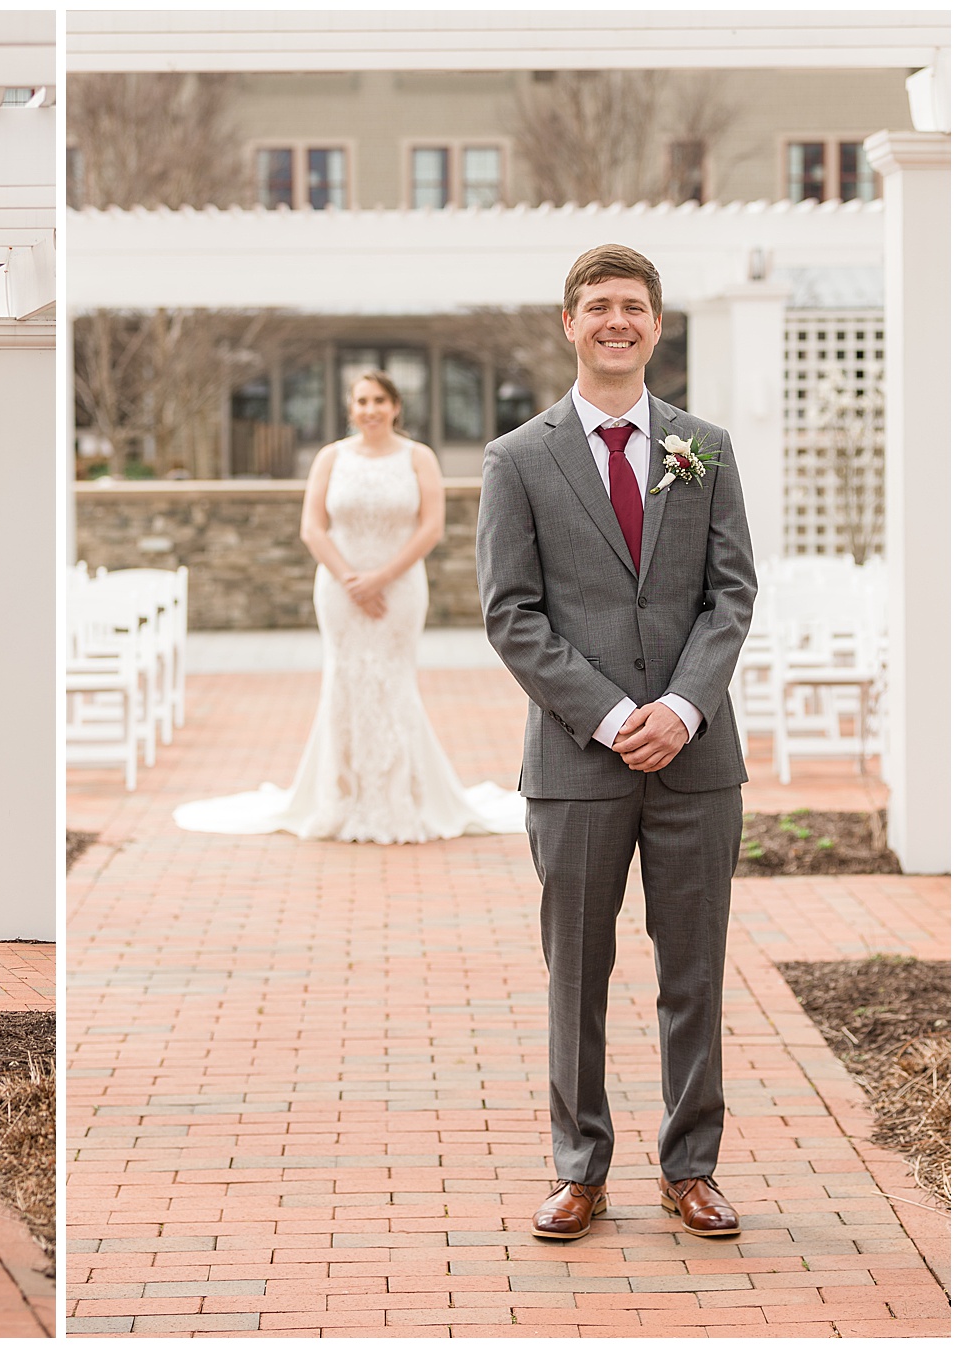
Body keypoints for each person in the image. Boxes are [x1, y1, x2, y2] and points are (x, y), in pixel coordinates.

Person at [476, 244, 756, 1242]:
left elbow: (732, 594)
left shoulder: (704, 448)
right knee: (577, 974)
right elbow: (511, 613)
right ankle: (579, 1169)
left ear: (656, 324)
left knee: (695, 972)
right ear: (569, 323)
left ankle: (692, 1167)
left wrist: (682, 708)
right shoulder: (517, 459)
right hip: (576, 765)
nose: (616, 321)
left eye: (632, 306)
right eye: (598, 306)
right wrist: (607, 714)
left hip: (697, 761)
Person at [173, 370, 523, 843]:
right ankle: (339, 795)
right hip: (339, 591)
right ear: (350, 408)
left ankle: (401, 795)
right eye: (361, 401)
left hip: (400, 588)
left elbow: (431, 527)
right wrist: (350, 579)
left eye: (379, 399)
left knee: (393, 678)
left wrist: (380, 577)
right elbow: (312, 528)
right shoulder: (330, 457)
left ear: (396, 405)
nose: (370, 409)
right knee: (344, 678)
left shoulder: (419, 457)